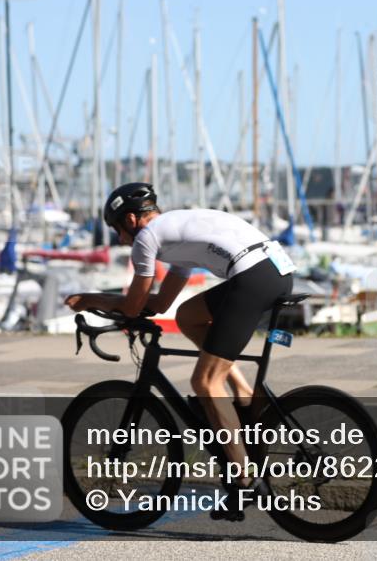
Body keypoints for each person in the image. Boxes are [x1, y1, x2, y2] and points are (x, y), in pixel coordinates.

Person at [64, 182, 295, 520]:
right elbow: (160, 304)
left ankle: (244, 480)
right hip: (275, 270)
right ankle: (244, 394)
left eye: (117, 230)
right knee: (189, 316)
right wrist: (133, 309)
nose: (120, 240)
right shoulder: (174, 235)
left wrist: (90, 299)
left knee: (204, 384)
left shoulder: (147, 238)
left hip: (253, 277)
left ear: (130, 219)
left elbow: (132, 305)